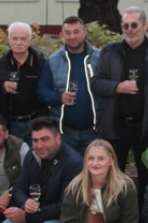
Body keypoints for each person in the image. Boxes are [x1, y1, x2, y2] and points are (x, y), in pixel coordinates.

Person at [91, 6, 148, 211]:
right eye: (125, 25)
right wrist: (117, 87)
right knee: (112, 178)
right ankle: (114, 219)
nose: (130, 29)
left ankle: (146, 221)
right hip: (116, 125)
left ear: (145, 25)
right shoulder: (110, 52)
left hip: (146, 126)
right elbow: (96, 83)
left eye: (134, 25)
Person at [0, 117, 83, 223]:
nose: (39, 146)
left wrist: (27, 216)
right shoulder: (32, 155)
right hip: (40, 213)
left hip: (67, 219)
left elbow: (65, 207)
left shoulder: (73, 163)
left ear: (58, 138)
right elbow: (19, 186)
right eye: (35, 140)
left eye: (45, 139)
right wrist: (25, 202)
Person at [37, 16, 101, 154]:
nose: (72, 36)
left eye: (76, 32)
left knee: (93, 167)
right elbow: (42, 91)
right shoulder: (53, 61)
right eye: (68, 33)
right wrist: (59, 97)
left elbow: (109, 88)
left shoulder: (99, 58)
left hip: (94, 131)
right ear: (62, 35)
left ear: (84, 32)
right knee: (67, 167)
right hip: (65, 132)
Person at [0, 22, 48, 145]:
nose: (18, 42)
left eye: (23, 39)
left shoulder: (40, 63)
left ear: (30, 41)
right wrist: (2, 87)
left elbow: (48, 91)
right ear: (9, 40)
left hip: (35, 123)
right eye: (15, 38)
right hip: (9, 125)